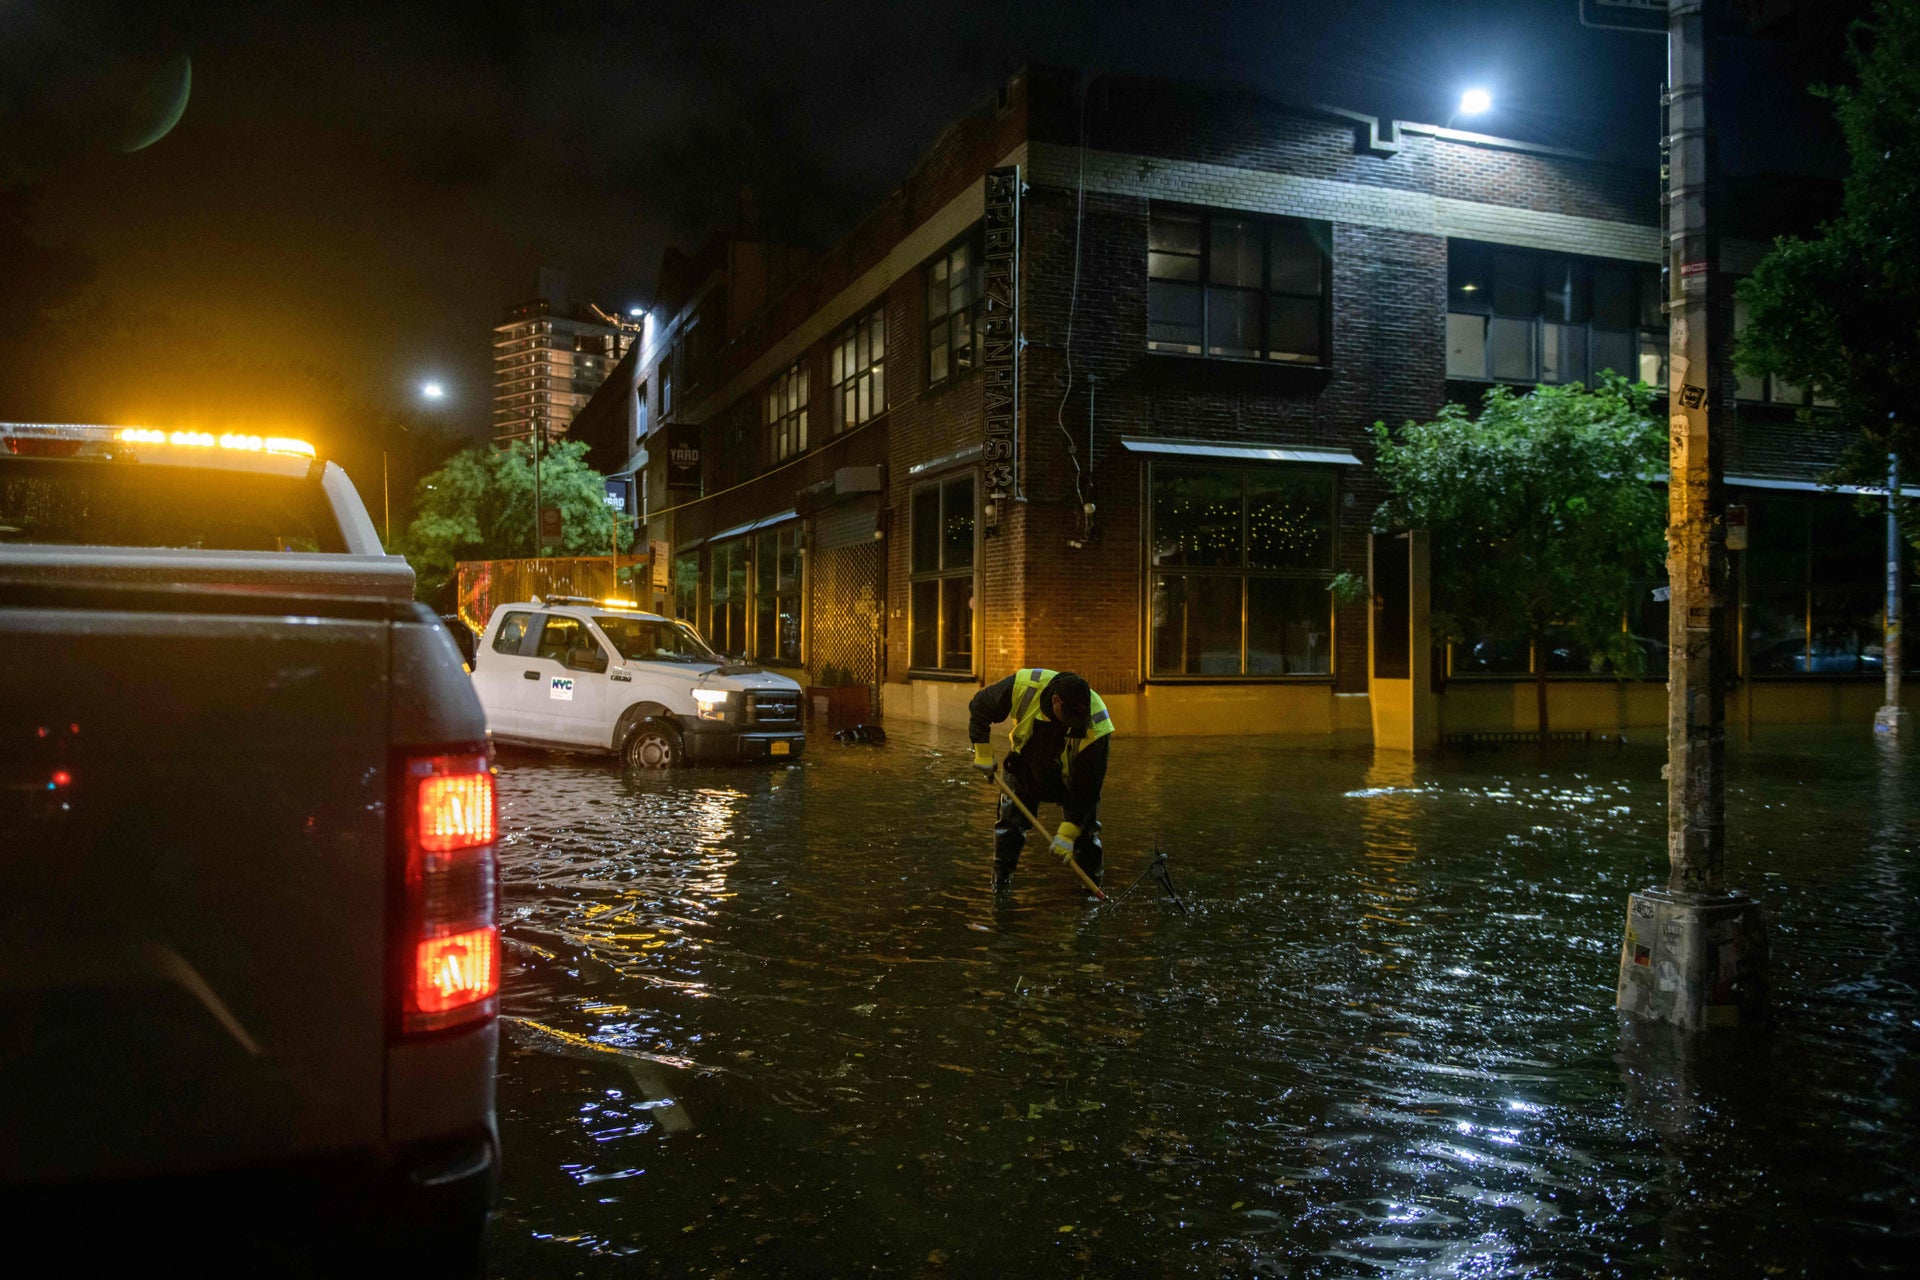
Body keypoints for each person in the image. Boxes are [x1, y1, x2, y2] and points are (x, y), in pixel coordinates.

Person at [968, 667, 1113, 889]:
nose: (1075, 723)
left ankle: (1092, 889)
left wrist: (1069, 830)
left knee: (1085, 833)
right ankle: (1000, 886)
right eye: (1071, 717)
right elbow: (980, 706)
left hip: (1069, 778)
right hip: (1024, 766)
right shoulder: (1025, 685)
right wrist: (984, 754)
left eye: (1079, 719)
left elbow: (1089, 785)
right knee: (1009, 829)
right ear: (1056, 701)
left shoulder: (1097, 722)